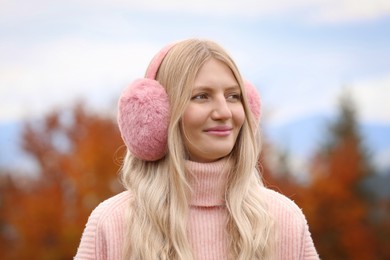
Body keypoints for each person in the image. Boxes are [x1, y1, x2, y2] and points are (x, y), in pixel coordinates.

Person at [75, 38, 319, 259]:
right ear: (158, 114)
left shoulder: (284, 219)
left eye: (233, 96)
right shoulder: (112, 224)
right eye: (202, 96)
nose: (224, 112)